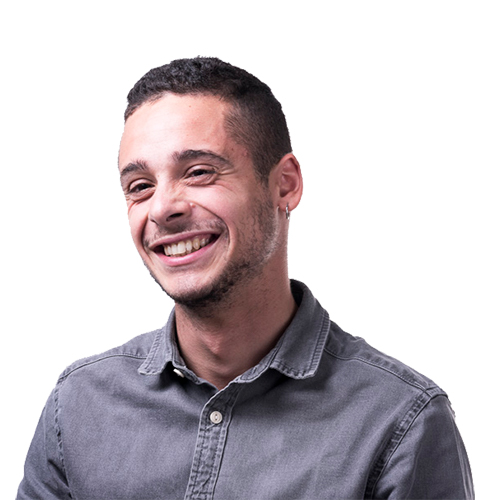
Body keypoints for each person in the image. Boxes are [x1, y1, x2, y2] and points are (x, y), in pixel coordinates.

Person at [18, 57, 474, 499]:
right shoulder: (77, 406)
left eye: (199, 172)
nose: (162, 208)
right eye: (140, 186)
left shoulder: (400, 423)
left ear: (285, 184)